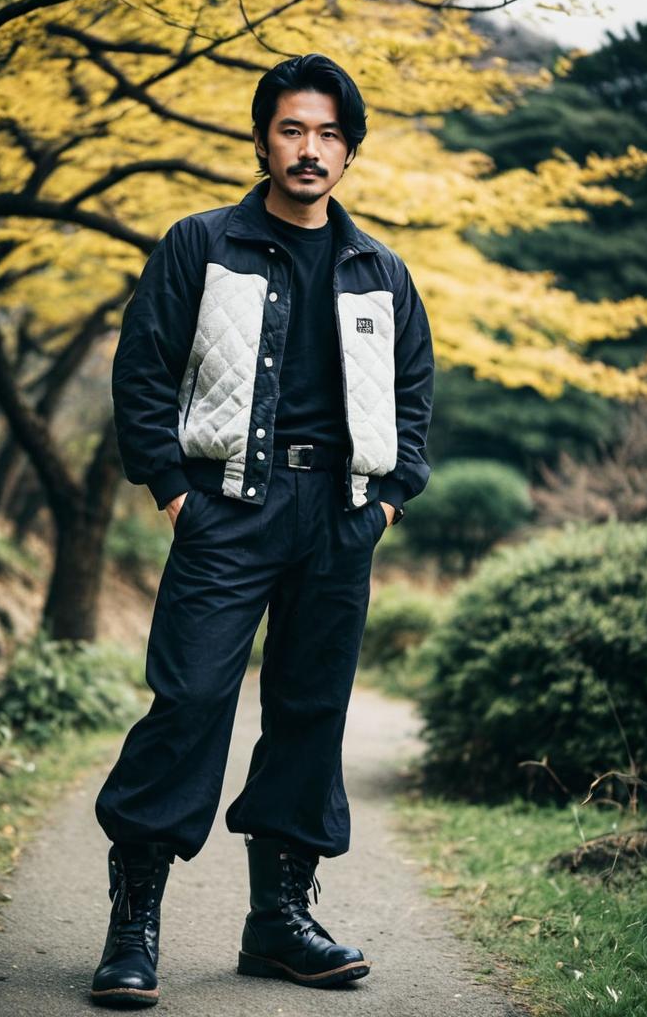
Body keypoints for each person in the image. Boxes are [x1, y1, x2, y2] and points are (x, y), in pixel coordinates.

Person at [91, 52, 435, 1008]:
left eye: (328, 133)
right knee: (191, 697)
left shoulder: (383, 272)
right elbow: (144, 372)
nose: (309, 149)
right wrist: (174, 492)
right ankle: (134, 921)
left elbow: (413, 400)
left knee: (310, 711)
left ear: (350, 151)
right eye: (292, 129)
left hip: (339, 517)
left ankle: (277, 923)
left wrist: (386, 504)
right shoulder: (201, 244)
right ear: (261, 139)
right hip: (225, 512)